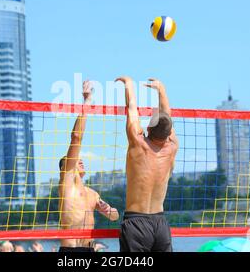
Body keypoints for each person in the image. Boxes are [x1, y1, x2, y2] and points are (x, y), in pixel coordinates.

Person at [115, 77, 179, 252]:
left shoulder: (138, 143)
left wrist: (129, 84)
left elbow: (131, 109)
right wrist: (161, 89)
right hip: (160, 224)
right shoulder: (172, 147)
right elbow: (167, 118)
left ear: (148, 129)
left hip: (136, 223)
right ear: (168, 134)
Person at [58, 80, 120, 252]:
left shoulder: (92, 194)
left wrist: (108, 209)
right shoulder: (67, 182)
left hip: (90, 249)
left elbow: (114, 217)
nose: (79, 160)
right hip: (71, 250)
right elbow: (76, 137)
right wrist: (87, 102)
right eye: (75, 160)